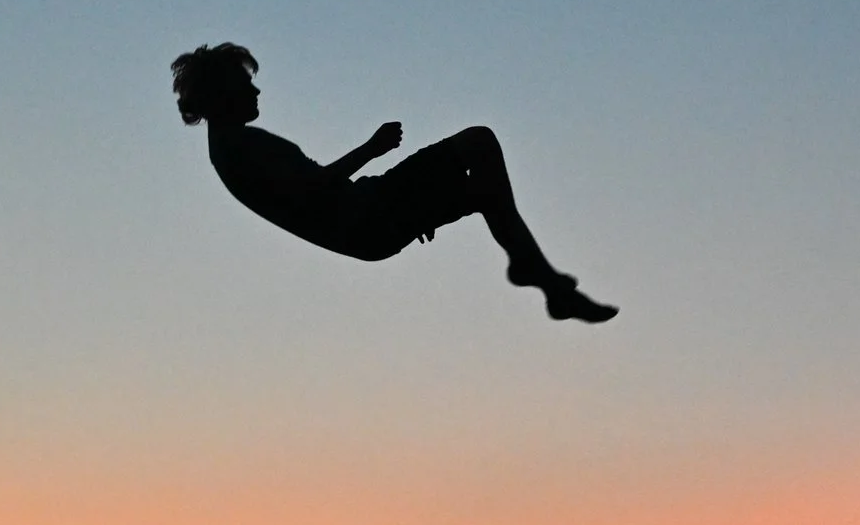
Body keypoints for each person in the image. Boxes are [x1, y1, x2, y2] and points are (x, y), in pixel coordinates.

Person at [172, 43, 616, 324]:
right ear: (222, 93)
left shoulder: (234, 147)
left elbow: (309, 195)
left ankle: (544, 280)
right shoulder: (237, 151)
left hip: (372, 214)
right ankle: (535, 273)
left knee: (483, 184)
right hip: (369, 214)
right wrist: (373, 146)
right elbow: (313, 192)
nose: (257, 94)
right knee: (478, 144)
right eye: (247, 86)